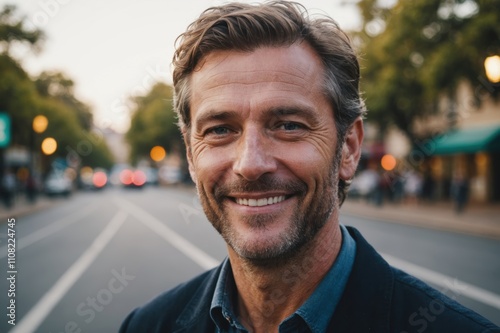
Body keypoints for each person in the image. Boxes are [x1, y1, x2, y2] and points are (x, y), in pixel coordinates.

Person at [119, 2, 499, 332]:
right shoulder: (146, 326)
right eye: (220, 130)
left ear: (348, 148)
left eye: (288, 125)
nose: (251, 164)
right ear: (189, 153)